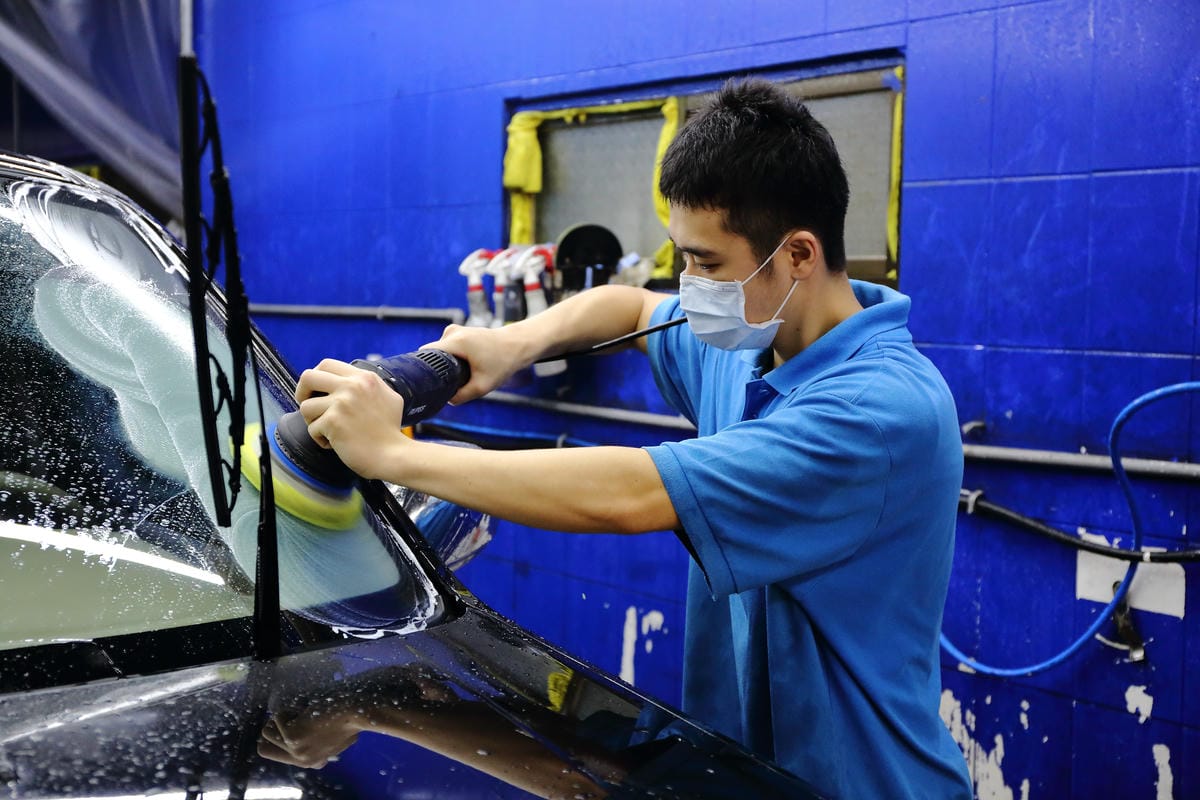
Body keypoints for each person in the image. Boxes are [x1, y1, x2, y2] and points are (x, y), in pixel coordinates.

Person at [296, 78, 973, 798]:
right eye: (682, 257)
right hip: (738, 772)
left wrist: (394, 455)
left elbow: (633, 493)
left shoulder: (877, 412)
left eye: (707, 263)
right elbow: (626, 305)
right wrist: (510, 345)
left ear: (799, 254)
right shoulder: (756, 342)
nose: (690, 285)